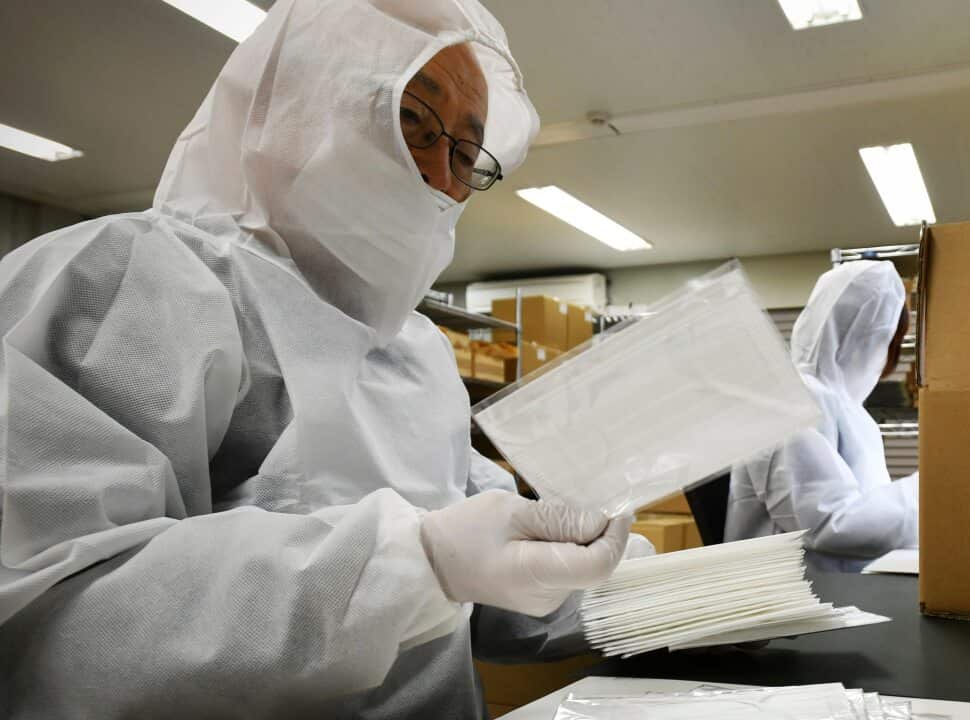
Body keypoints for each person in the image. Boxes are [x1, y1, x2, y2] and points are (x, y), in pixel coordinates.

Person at [0, 0, 638, 717]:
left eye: (464, 152)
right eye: (413, 122)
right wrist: (416, 563)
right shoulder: (128, 282)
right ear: (302, 103)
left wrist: (623, 577)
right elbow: (54, 621)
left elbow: (488, 590)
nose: (439, 176)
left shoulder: (418, 354)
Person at [724, 261, 919, 560]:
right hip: (783, 597)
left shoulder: (854, 416)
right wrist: (931, 489)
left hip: (840, 587)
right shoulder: (789, 403)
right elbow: (829, 526)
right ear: (873, 337)